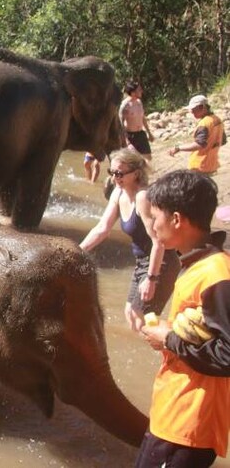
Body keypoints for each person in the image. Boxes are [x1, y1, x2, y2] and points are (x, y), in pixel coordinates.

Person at [138, 170, 230, 467]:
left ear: (176, 219)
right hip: (174, 413)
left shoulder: (216, 273)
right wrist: (167, 338)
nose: (152, 226)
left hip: (189, 420)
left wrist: (169, 338)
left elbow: (227, 355)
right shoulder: (198, 264)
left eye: (155, 217)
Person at [79, 149, 180, 331]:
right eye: (111, 172)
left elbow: (159, 242)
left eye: (119, 173)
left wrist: (151, 278)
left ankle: (168, 346)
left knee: (141, 317)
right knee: (130, 314)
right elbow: (102, 228)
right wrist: (77, 251)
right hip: (143, 262)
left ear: (135, 174)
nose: (114, 177)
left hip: (161, 262)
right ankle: (154, 349)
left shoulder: (143, 198)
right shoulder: (118, 194)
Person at [169, 94, 226, 176]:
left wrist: (178, 148)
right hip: (212, 164)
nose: (191, 112)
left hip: (199, 166)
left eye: (193, 109)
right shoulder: (217, 120)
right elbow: (223, 141)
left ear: (202, 107)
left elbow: (199, 145)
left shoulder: (204, 124)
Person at [119, 80, 154, 160]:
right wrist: (126, 140)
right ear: (133, 92)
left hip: (141, 134)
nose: (141, 91)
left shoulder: (139, 102)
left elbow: (142, 118)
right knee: (135, 161)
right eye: (139, 89)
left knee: (148, 158)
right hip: (131, 136)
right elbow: (120, 124)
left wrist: (149, 132)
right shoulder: (125, 105)